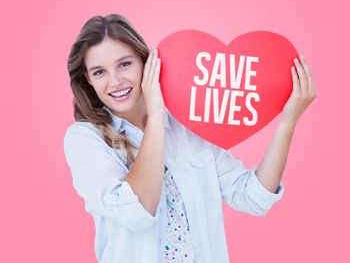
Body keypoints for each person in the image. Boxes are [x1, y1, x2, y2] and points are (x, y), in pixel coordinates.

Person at [63, 13, 317, 263]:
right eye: (99, 72)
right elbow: (137, 211)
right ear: (88, 80)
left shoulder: (186, 123)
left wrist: (288, 122)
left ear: (145, 62)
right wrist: (155, 116)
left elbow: (252, 197)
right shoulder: (84, 140)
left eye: (125, 64)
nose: (116, 81)